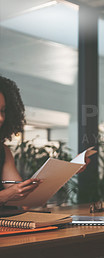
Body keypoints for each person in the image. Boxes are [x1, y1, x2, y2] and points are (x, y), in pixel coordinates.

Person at [0, 76, 40, 206]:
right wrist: (5, 195)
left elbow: (19, 194)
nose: (1, 118)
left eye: (3, 111)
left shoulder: (3, 151)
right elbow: (9, 194)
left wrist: (66, 172)